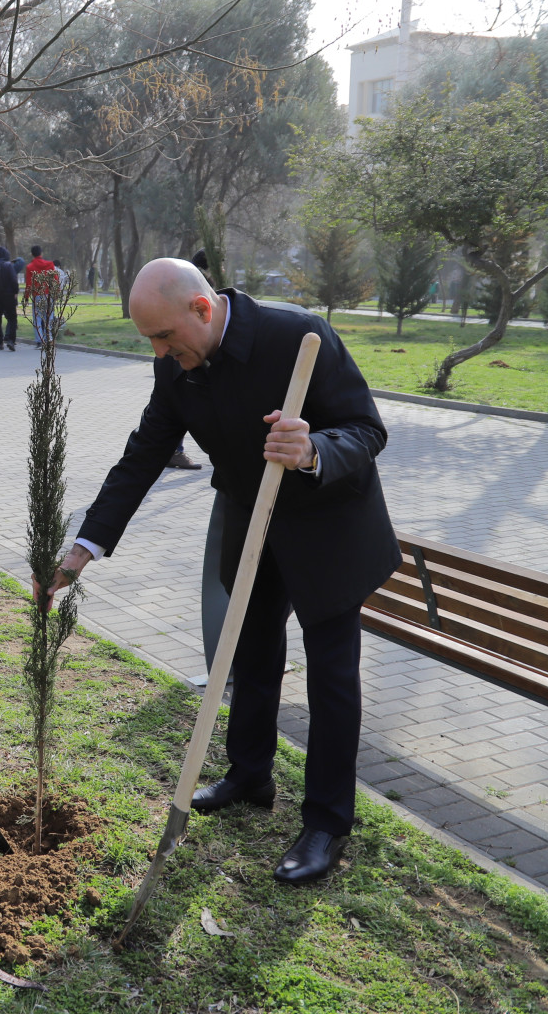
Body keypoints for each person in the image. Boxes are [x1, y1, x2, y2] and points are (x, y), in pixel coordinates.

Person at [41, 257, 399, 885]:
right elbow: (144, 453)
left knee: (332, 678)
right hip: (251, 527)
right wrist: (86, 546)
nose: (157, 350)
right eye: (149, 339)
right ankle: (249, 773)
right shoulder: (176, 366)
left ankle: (326, 823)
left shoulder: (297, 339)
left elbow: (367, 429)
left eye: (163, 336)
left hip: (328, 531)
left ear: (201, 309)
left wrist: (314, 448)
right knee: (252, 656)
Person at [23, 246, 57, 346]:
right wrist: (56, 292)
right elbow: (55, 279)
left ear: (32, 254)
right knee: (49, 317)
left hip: (37, 295)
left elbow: (29, 284)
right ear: (41, 253)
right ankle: (49, 338)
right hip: (49, 294)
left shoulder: (30, 267)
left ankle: (39, 340)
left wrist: (26, 296)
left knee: (37, 318)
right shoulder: (50, 264)